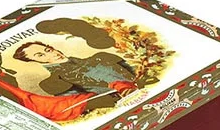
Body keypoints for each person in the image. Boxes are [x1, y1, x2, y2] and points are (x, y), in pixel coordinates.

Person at [12, 41, 157, 109]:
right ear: (35, 61)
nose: (52, 54)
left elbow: (139, 73)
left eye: (48, 50)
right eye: (40, 55)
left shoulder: (102, 56)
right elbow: (84, 104)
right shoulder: (54, 82)